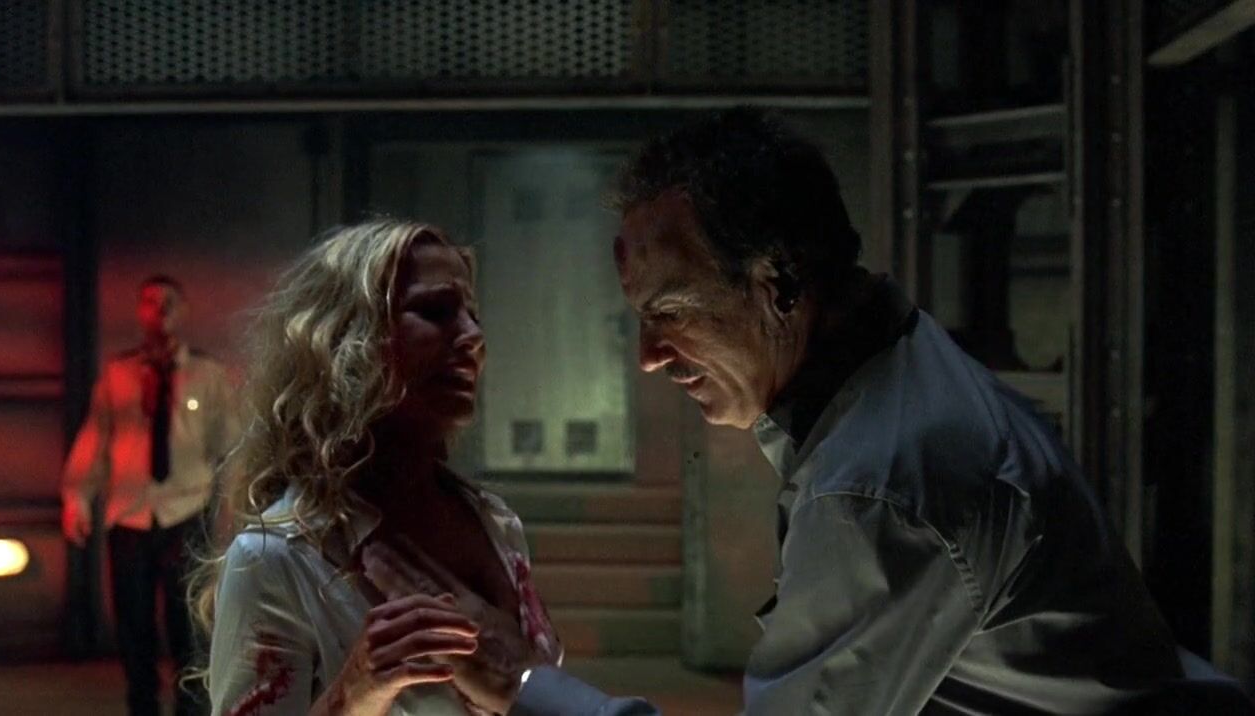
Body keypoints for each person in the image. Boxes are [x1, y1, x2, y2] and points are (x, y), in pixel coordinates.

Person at [436, 109, 1254, 714]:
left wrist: (524, 682)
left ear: (780, 284)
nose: (649, 356)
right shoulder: (889, 367)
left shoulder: (881, 486)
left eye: (672, 312)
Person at [194, 220, 562, 715]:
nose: (474, 336)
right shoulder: (276, 558)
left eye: (473, 314)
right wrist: (354, 692)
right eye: (434, 311)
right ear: (346, 338)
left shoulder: (496, 523)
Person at [61, 274, 239, 715]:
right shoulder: (119, 374)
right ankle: (142, 704)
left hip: (186, 508)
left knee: (188, 623)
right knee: (133, 621)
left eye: (168, 302)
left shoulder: (207, 375)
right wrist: (76, 497)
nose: (159, 311)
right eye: (149, 302)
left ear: (184, 310)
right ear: (139, 311)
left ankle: (191, 707)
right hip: (131, 513)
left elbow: (230, 445)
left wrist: (236, 507)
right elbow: (96, 437)